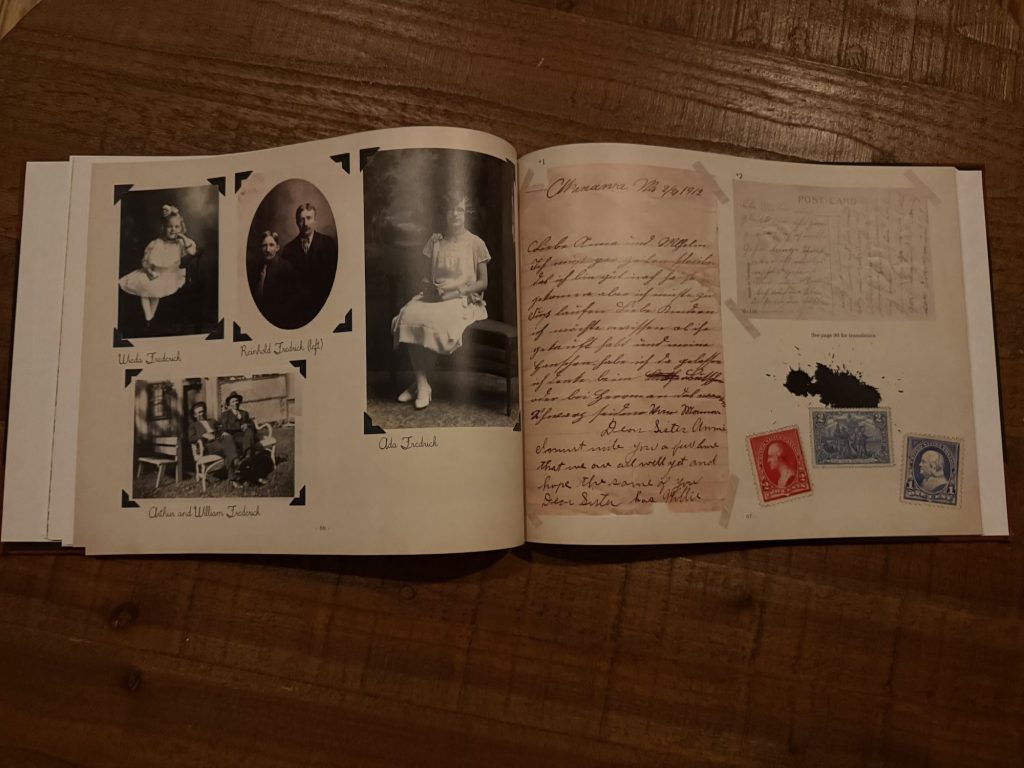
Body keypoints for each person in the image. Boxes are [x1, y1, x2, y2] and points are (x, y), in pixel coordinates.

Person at [391, 190, 490, 409]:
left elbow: (483, 282)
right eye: (450, 210)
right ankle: (422, 382)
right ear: (444, 213)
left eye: (460, 210)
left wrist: (458, 292)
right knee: (409, 314)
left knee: (434, 320)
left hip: (462, 299)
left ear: (466, 213)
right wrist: (430, 289)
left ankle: (419, 384)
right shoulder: (435, 241)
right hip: (437, 297)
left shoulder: (476, 243)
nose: (455, 214)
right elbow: (427, 277)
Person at [119, 204, 196, 326]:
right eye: (169, 226)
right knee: (144, 287)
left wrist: (182, 237)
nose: (173, 230)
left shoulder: (181, 243)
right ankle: (148, 318)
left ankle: (149, 318)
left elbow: (192, 252)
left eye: (176, 227)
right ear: (164, 228)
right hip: (153, 273)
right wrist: (149, 271)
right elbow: (145, 260)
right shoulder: (156, 243)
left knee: (156, 291)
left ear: (181, 228)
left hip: (170, 274)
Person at [280, 202, 337, 313]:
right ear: (297, 222)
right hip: (297, 309)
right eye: (301, 219)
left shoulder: (328, 243)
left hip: (326, 306)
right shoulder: (288, 250)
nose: (305, 223)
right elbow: (286, 285)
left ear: (315, 220)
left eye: (309, 218)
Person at [249, 230, 305, 329]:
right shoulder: (257, 267)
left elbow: (294, 297)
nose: (268, 249)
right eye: (264, 246)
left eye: (271, 245)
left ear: (277, 248)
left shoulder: (285, 266)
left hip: (279, 318)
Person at [187, 401, 248, 489]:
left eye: (203, 411)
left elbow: (221, 428)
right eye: (199, 412)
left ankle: (233, 478)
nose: (202, 413)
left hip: (219, 440)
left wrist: (223, 432)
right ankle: (237, 461)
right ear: (195, 415)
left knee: (228, 438)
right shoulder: (193, 425)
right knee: (228, 448)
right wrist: (203, 435)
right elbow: (191, 438)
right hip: (209, 445)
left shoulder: (212, 420)